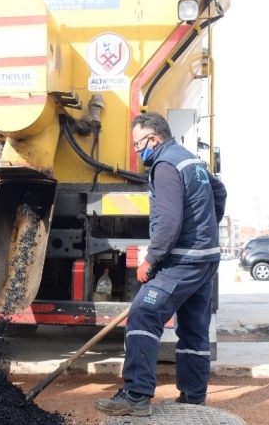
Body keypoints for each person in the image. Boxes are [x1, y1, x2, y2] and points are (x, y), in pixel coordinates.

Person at [95, 112, 226, 416]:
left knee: (143, 316)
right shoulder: (190, 159)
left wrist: (151, 259)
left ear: (153, 139)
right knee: (193, 329)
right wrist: (206, 229)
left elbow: (168, 222)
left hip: (181, 261)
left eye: (138, 145)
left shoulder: (165, 165)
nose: (138, 152)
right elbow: (219, 192)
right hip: (205, 259)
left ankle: (136, 396)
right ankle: (194, 396)